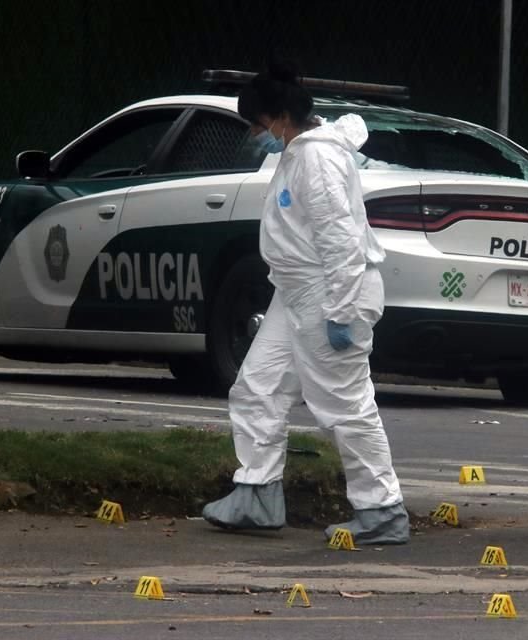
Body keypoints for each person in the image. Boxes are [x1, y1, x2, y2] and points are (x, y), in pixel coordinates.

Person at [202, 63, 410, 545]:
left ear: (279, 118)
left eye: (257, 124)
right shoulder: (301, 151)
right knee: (258, 387)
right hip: (297, 292)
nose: (255, 135)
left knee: (344, 404)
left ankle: (381, 509)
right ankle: (256, 493)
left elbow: (340, 241)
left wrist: (341, 312)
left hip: (329, 293)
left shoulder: (317, 158)